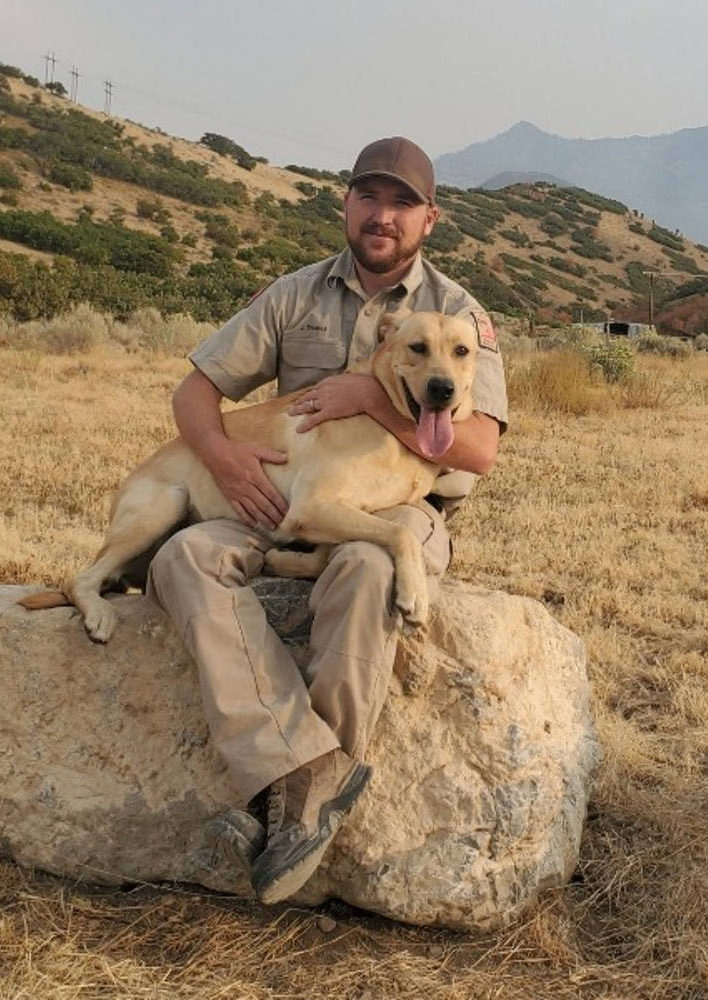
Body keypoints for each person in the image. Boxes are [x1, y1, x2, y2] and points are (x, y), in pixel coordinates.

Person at [143, 136, 509, 904]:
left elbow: (477, 450)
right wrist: (222, 456)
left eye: (402, 204)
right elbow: (194, 393)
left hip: (402, 507)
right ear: (346, 205)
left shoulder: (459, 317)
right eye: (369, 199)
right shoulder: (293, 295)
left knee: (370, 568)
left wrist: (371, 396)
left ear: (429, 220)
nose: (383, 217)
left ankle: (297, 800)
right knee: (178, 560)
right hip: (271, 503)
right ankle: (301, 772)